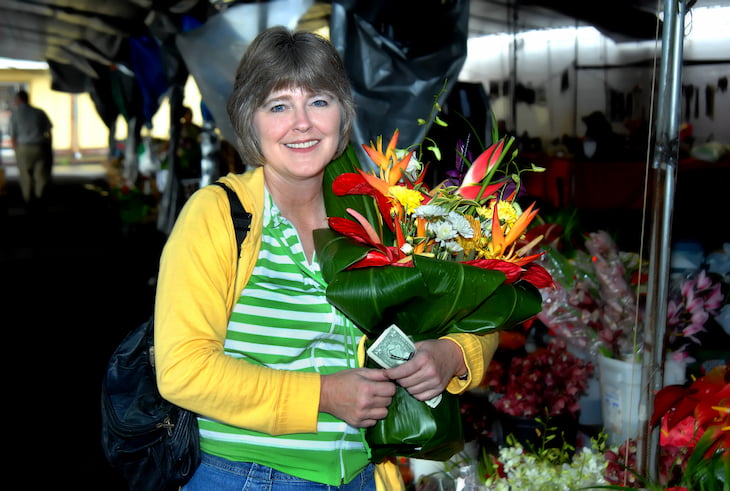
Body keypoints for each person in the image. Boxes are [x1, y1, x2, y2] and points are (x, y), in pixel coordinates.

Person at [154, 26, 499, 491]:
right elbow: (183, 370)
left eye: (319, 101)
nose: (302, 123)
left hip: (361, 476)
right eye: (278, 106)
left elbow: (473, 304)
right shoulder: (219, 216)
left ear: (343, 114)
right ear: (249, 120)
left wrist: (453, 353)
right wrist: (323, 395)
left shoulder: (375, 209)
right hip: (246, 477)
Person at [9, 89, 53, 211]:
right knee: (40, 176)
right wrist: (49, 147)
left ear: (18, 100)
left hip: (23, 147)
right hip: (40, 146)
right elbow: (49, 132)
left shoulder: (15, 114)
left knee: (25, 176)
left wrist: (16, 150)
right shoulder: (39, 112)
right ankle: (40, 198)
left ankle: (28, 201)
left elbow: (13, 136)